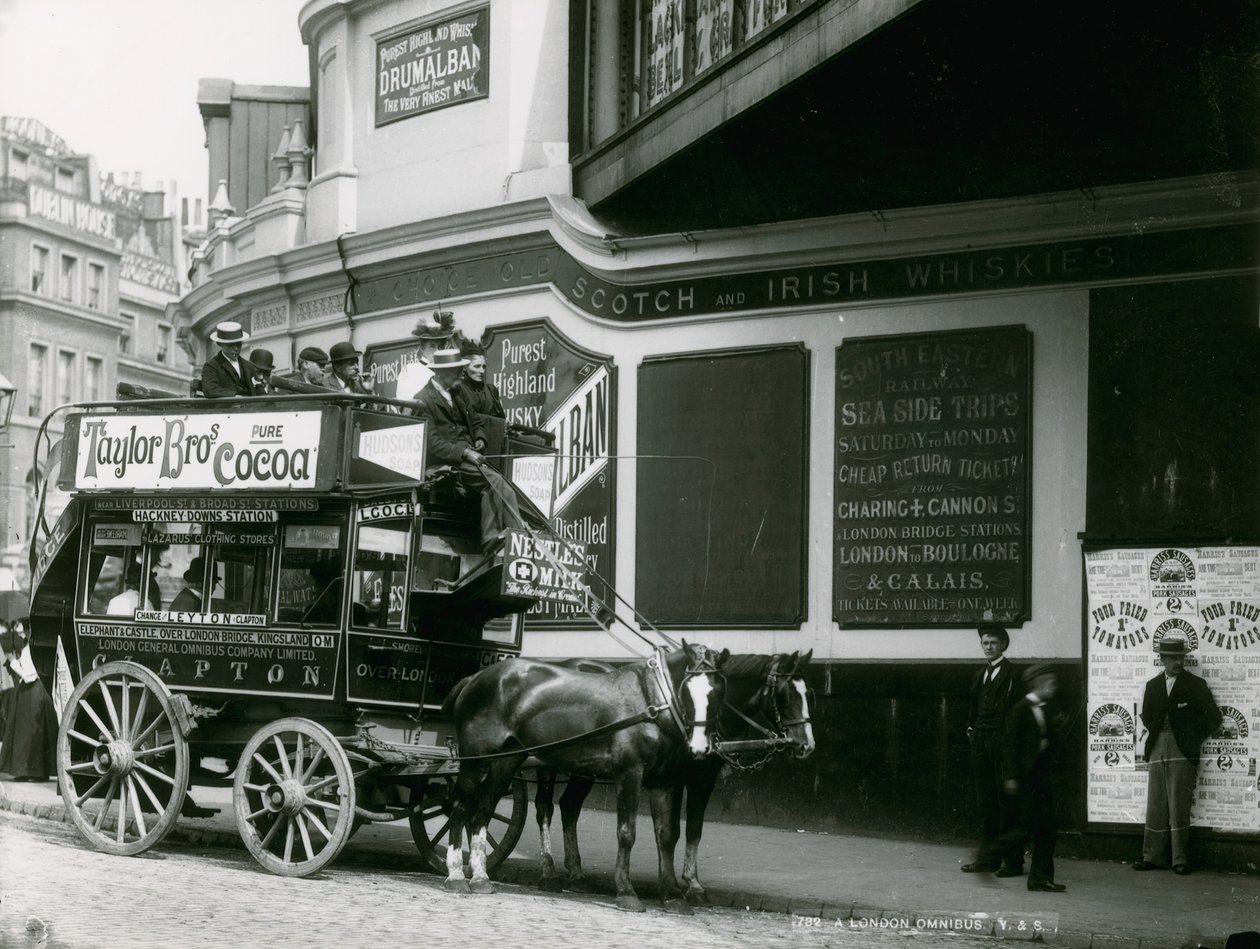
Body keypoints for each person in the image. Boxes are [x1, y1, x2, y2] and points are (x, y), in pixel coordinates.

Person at [408, 349, 522, 555]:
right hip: (448, 462)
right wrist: (465, 453)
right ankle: (498, 538)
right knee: (496, 482)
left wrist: (480, 438)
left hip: (469, 456)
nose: (461, 374)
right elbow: (430, 443)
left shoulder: (458, 392)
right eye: (457, 371)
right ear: (441, 374)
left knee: (502, 482)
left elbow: (476, 421)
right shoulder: (423, 399)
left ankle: (512, 536)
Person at [1133, 635, 1221, 875]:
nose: (1178, 662)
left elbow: (1214, 718)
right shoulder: (1152, 686)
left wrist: (1190, 738)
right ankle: (1152, 857)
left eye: (1181, 657)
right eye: (1172, 658)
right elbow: (1147, 716)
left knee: (1178, 804)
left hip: (1182, 749)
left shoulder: (1196, 684)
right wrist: (1160, 735)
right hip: (1157, 746)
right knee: (1155, 803)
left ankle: (1179, 859)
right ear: (1162, 659)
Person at [991, 664, 1064, 892]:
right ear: (1039, 685)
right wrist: (1011, 777)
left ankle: (1039, 878)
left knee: (1046, 827)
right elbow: (1010, 747)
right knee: (1032, 826)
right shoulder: (1021, 709)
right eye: (1051, 684)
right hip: (1026, 779)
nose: (1054, 687)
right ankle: (1002, 854)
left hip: (1042, 778)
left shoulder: (1047, 708)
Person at [962, 624, 1024, 875]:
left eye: (993, 643)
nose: (988, 647)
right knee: (986, 804)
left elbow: (1018, 712)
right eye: (985, 643)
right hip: (981, 742)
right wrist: (971, 729)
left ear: (1003, 645)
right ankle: (988, 860)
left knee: (1007, 803)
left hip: (1002, 744)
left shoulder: (1013, 674)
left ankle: (1013, 862)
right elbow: (973, 707)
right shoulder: (979, 674)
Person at [0, 617, 59, 782]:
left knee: (31, 732)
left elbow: (29, 676)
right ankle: (29, 771)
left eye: (22, 630)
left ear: (28, 630)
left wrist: (13, 662)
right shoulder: (29, 648)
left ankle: (34, 771)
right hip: (30, 694)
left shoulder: (29, 649)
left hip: (32, 693)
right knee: (28, 733)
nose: (20, 634)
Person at [397, 314, 454, 401]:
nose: (437, 351)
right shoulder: (411, 370)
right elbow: (406, 403)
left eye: (440, 347)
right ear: (423, 348)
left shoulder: (449, 371)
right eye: (432, 346)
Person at [200, 321, 260, 399]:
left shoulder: (249, 366)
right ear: (220, 343)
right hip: (226, 409)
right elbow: (209, 389)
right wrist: (234, 396)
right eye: (230, 344)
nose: (236, 348)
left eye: (239, 344)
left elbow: (259, 390)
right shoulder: (212, 366)